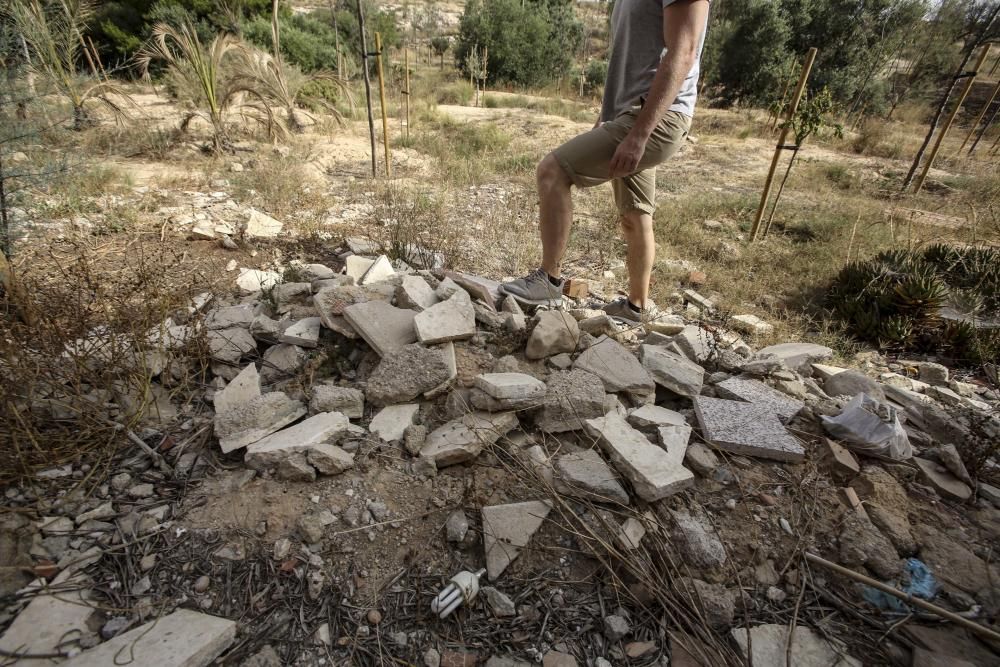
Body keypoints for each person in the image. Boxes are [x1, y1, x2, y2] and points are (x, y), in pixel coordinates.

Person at [498, 0, 711, 323]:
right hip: (631, 114)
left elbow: (683, 53)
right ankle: (636, 306)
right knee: (635, 213)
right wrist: (607, 117)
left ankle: (549, 280)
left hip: (654, 117)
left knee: (552, 172)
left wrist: (639, 134)